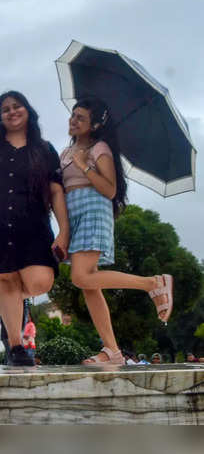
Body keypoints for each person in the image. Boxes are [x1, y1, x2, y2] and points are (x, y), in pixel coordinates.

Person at [60, 97, 174, 365]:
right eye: (73, 115)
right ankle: (112, 351)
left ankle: (152, 283)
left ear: (95, 125)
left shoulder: (99, 148)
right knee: (90, 285)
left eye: (81, 118)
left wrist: (85, 165)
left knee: (81, 277)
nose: (73, 120)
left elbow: (110, 189)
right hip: (73, 214)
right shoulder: (66, 151)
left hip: (93, 209)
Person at [0, 91, 69, 367]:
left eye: (16, 106)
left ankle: (11, 312)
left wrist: (63, 230)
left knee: (40, 281)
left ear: (27, 110)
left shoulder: (44, 150)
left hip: (32, 225)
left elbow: (57, 191)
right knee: (7, 283)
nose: (11, 112)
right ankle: (16, 346)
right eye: (5, 109)